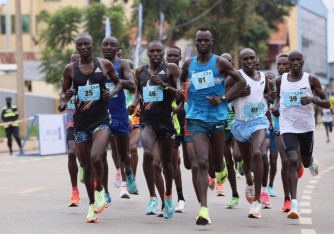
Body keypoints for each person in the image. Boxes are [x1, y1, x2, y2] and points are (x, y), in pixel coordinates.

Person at [178, 27, 246, 225]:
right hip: (196, 119)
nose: (202, 44)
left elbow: (240, 82)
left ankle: (221, 169)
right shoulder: (189, 64)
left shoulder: (220, 62)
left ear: (211, 42)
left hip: (217, 119)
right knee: (200, 162)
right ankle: (204, 209)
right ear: (196, 41)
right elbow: (182, 79)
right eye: (199, 40)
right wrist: (182, 92)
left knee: (217, 163)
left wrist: (223, 98)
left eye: (206, 40)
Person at [62, 33, 121, 223]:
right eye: (79, 45)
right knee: (86, 166)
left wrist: (110, 94)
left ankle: (100, 189)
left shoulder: (104, 65)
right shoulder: (70, 69)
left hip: (101, 120)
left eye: (86, 44)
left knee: (97, 157)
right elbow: (63, 94)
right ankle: (91, 206)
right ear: (76, 47)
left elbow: (118, 82)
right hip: (80, 123)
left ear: (92, 45)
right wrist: (66, 97)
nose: (83, 47)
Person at [272, 49, 330, 219]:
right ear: (288, 63)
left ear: (303, 62)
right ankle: (294, 203)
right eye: (292, 60)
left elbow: (326, 103)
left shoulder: (311, 79)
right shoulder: (280, 80)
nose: (295, 63)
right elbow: (277, 99)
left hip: (306, 127)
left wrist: (312, 100)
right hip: (288, 126)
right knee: (291, 160)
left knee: (304, 162)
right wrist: (275, 108)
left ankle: (311, 161)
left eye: (299, 60)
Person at [128, 40, 182, 219]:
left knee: (167, 163)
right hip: (147, 120)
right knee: (149, 154)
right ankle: (152, 197)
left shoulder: (171, 69)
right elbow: (138, 92)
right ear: (148, 53)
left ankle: (167, 196)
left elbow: (180, 94)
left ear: (163, 52)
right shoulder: (140, 71)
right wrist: (134, 104)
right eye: (152, 51)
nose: (156, 54)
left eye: (159, 51)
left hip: (166, 122)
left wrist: (164, 85)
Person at [226, 48, 275, 219]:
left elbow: (265, 94)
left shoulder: (262, 77)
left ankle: (257, 201)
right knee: (245, 162)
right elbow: (224, 97)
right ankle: (248, 179)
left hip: (258, 121)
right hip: (240, 124)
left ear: (256, 59)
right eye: (244, 59)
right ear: (240, 62)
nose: (249, 61)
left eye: (251, 58)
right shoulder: (234, 77)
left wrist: (271, 97)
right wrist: (238, 92)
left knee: (257, 154)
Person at [100, 36, 138, 204]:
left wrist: (115, 80)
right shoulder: (95, 65)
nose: (109, 47)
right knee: (100, 155)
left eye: (112, 45)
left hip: (119, 114)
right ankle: (105, 192)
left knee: (123, 154)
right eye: (106, 44)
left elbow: (132, 85)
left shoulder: (121, 64)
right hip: (100, 115)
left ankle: (128, 172)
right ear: (101, 47)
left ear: (117, 49)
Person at [58, 52, 84, 207]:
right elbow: (62, 98)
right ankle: (75, 192)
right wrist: (63, 103)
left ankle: (87, 170)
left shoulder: (89, 79)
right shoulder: (65, 80)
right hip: (72, 123)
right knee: (72, 152)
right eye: (73, 61)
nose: (75, 64)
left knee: (87, 156)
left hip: (88, 123)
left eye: (77, 61)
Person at [166, 46, 186, 212]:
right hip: (169, 121)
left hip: (186, 118)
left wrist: (181, 107)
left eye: (175, 55)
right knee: (173, 161)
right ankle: (179, 197)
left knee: (187, 162)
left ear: (180, 57)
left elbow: (188, 95)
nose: (172, 58)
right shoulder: (162, 74)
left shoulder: (185, 74)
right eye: (169, 55)